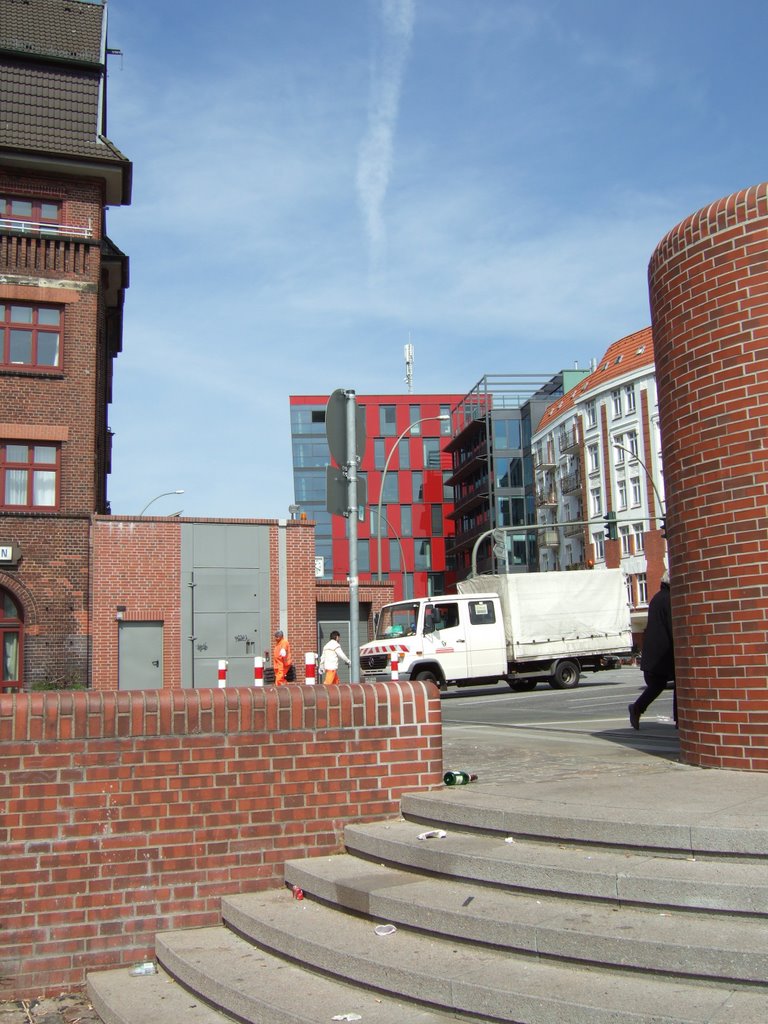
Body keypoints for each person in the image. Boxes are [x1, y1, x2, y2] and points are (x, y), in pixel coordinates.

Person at [629, 571, 675, 729]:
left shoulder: (657, 597)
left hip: (655, 652)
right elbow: (671, 626)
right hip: (663, 652)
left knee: (658, 684)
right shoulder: (668, 599)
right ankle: (680, 718)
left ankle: (637, 708)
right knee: (675, 683)